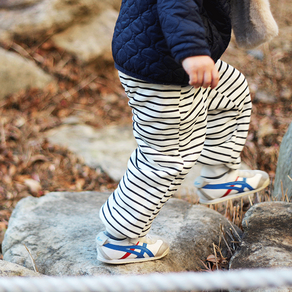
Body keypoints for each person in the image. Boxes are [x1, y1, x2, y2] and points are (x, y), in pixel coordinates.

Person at [96, 0, 278, 264]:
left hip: (162, 54)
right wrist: (192, 51)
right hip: (166, 67)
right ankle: (120, 239)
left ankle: (219, 176)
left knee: (231, 91)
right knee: (168, 157)